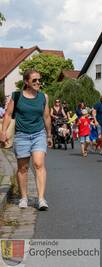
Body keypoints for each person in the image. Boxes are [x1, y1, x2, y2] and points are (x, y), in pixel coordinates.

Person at [0, 69, 52, 211]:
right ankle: (24, 197)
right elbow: (8, 115)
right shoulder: (16, 96)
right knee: (23, 168)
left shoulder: (43, 97)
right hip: (22, 135)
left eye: (39, 80)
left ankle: (41, 199)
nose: (38, 82)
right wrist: (3, 132)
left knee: (38, 163)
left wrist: (49, 135)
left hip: (38, 134)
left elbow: (46, 117)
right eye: (34, 80)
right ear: (26, 82)